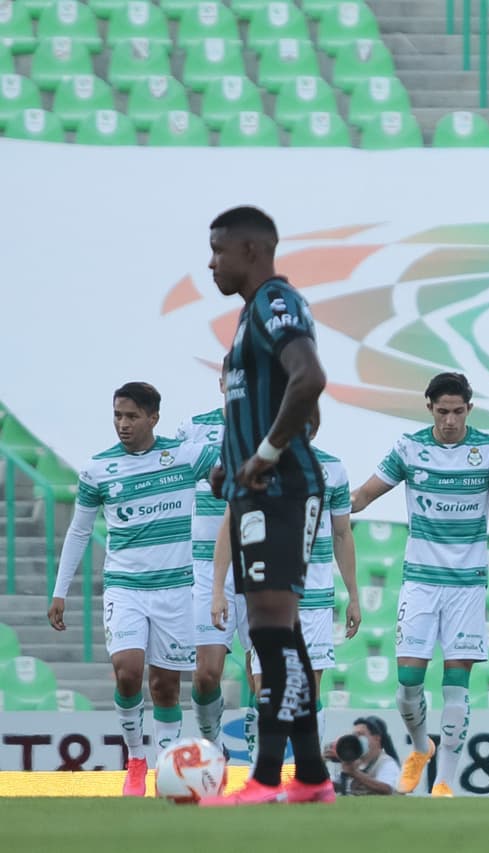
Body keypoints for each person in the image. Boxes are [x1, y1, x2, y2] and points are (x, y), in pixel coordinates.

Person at [198, 205, 333, 807]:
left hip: (282, 491)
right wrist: (233, 460)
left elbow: (310, 379)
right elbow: (271, 398)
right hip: (257, 491)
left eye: (218, 250)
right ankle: (311, 777)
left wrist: (268, 453)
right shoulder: (250, 314)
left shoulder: (276, 301)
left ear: (251, 250)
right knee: (279, 633)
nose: (211, 263)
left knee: (272, 632)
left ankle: (268, 777)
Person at [350, 371, 489, 797]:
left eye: (457, 412)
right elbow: (364, 495)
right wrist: (326, 502)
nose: (450, 420)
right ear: (429, 408)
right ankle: (421, 747)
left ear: (469, 409)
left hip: (467, 586)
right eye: (442, 412)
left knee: (455, 686)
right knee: (408, 682)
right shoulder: (409, 448)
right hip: (420, 581)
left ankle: (445, 782)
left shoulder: (488, 450)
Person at [48, 382, 219, 796]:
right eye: (117, 416)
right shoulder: (98, 469)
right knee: (127, 672)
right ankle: (136, 759)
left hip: (175, 589)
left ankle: (166, 769)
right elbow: (79, 531)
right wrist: (59, 590)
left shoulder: (185, 456)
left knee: (165, 686)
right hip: (125, 588)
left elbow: (230, 475)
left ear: (153, 418)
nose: (122, 424)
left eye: (131, 416)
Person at [219, 444, 361, 762]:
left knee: (308, 691)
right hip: (268, 596)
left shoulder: (333, 468)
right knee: (265, 687)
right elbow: (230, 528)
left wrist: (353, 595)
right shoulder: (256, 464)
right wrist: (218, 589)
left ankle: (306, 772)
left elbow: (342, 534)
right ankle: (265, 772)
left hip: (315, 598)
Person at [176, 357, 251, 758]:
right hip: (206, 565)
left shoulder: (271, 432)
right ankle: (212, 739)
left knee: (263, 673)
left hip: (257, 561)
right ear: (221, 383)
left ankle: (260, 748)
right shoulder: (192, 429)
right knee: (206, 674)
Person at [326, 716, 400, 796]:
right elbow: (337, 785)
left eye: (360, 734)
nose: (356, 738)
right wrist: (322, 763)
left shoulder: (386, 763)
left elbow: (387, 789)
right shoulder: (352, 759)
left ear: (376, 738)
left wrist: (354, 773)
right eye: (354, 735)